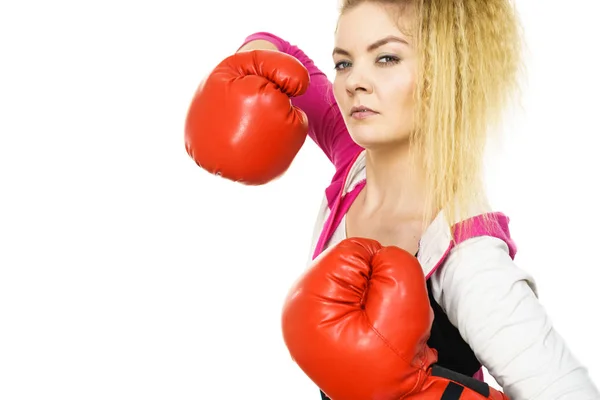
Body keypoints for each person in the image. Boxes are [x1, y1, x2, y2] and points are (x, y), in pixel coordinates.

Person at [184, 0, 600, 398]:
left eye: (387, 59)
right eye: (344, 62)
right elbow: (274, 46)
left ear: (447, 72)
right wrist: (243, 70)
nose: (353, 82)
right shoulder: (354, 161)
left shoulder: (466, 257)